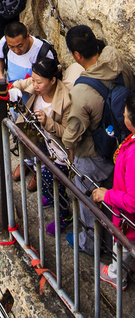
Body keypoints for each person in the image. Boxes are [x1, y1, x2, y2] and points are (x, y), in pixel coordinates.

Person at [62, 25, 134, 256]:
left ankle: (90, 244)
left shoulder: (82, 91)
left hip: (94, 155)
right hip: (122, 145)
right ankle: (117, 242)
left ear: (76, 56)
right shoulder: (119, 63)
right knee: (116, 198)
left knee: (89, 203)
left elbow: (72, 133)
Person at [9, 52, 72, 223]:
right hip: (40, 139)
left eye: (39, 82)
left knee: (48, 185)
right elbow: (24, 82)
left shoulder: (65, 101)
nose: (35, 85)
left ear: (52, 80)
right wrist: (15, 87)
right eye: (34, 80)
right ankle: (49, 191)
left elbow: (67, 134)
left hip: (57, 150)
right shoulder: (38, 84)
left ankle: (65, 215)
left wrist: (48, 122)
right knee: (41, 169)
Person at [93, 90, 135, 290]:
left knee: (124, 247)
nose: (124, 115)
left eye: (126, 113)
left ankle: (116, 276)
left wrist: (106, 195)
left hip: (129, 219)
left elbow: (132, 201)